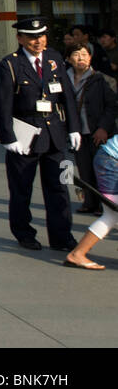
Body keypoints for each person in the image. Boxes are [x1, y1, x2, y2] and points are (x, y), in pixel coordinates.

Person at [0, 17, 81, 252]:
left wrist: (74, 127)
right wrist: (8, 137)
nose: (38, 41)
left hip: (55, 133)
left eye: (41, 36)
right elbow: (2, 105)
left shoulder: (53, 59)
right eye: (32, 38)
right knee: (22, 188)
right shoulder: (9, 65)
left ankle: (62, 236)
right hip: (25, 133)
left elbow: (67, 97)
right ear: (20, 39)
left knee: (60, 187)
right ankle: (24, 233)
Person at [65, 95, 118, 269]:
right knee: (112, 213)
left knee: (112, 214)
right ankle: (77, 254)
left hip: (108, 159)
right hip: (111, 162)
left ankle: (77, 253)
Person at [66, 45, 116, 217]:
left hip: (99, 132)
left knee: (102, 170)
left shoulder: (102, 80)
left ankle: (106, 206)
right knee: (84, 168)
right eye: (76, 54)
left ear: (90, 58)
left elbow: (112, 107)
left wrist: (103, 128)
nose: (81, 58)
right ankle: (89, 202)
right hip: (77, 132)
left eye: (84, 54)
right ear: (68, 58)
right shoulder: (64, 79)